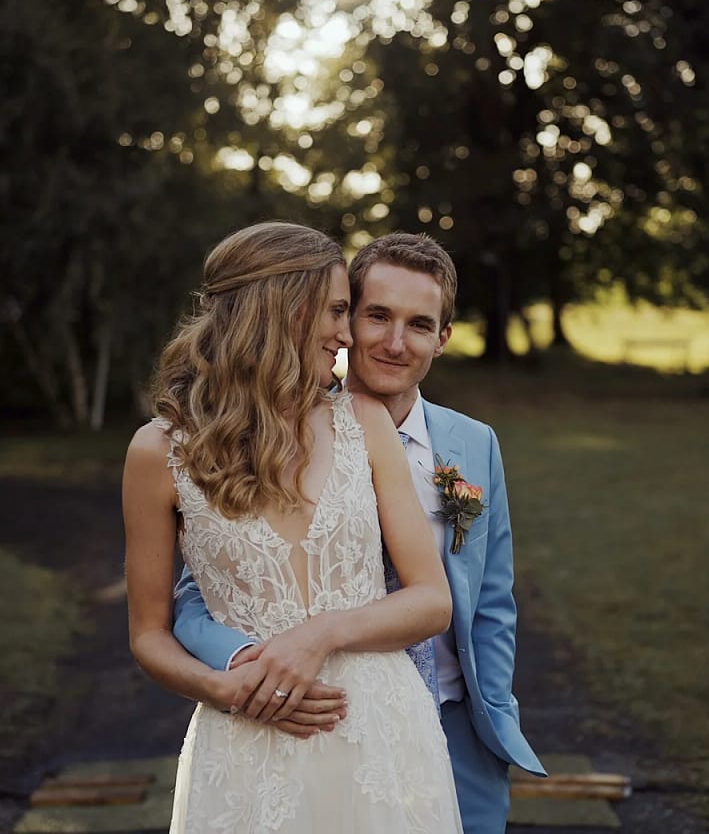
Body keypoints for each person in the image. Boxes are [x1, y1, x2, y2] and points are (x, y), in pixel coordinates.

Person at [173, 232, 545, 833]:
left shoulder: (475, 446)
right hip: (326, 712)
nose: (394, 343)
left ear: (442, 338)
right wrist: (251, 664)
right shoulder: (273, 436)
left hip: (455, 722)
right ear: (341, 317)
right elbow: (203, 586)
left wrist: (491, 708)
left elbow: (493, 598)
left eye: (419, 324)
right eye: (375, 315)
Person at [123, 221, 463, 833]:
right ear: (279, 310)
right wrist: (224, 690)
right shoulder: (158, 451)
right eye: (335, 311)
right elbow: (149, 634)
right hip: (246, 742)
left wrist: (320, 635)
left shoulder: (364, 422)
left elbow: (431, 601)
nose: (345, 334)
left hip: (382, 738)